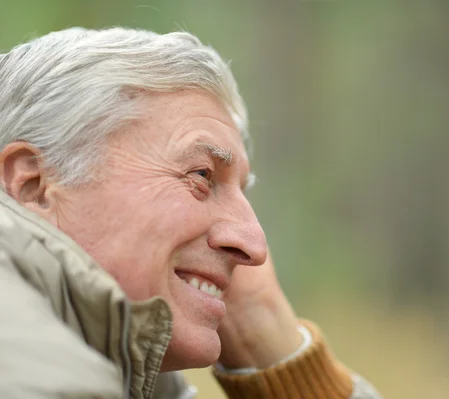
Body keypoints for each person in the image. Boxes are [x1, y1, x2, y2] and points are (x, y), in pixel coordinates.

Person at [0, 27, 381, 399]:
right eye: (201, 175)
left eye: (242, 193)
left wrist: (260, 328)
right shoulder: (36, 371)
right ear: (34, 182)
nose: (256, 245)